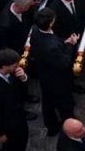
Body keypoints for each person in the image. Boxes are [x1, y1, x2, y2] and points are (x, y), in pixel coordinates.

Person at [31, 8, 79, 136]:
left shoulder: (36, 32)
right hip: (56, 80)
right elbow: (64, 62)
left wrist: (64, 42)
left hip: (44, 74)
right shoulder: (51, 46)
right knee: (64, 104)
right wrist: (70, 45)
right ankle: (71, 127)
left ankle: (51, 126)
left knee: (48, 102)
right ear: (51, 23)